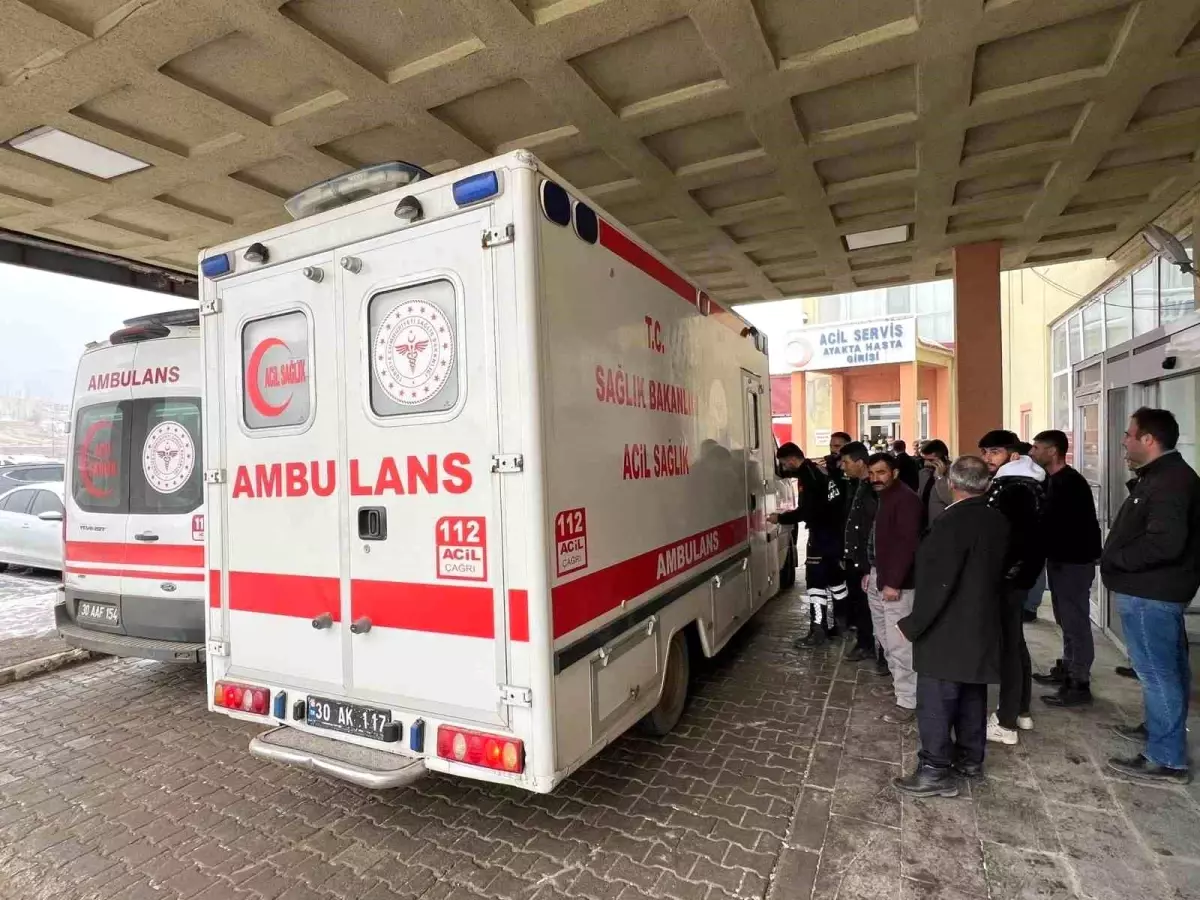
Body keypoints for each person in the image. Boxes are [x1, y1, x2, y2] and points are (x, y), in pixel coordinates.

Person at [893, 456, 1010, 797]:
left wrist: (913, 624)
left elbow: (939, 584)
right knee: (972, 694)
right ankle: (970, 760)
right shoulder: (997, 520)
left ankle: (934, 769)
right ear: (985, 484)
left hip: (947, 630)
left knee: (937, 701)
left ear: (951, 484)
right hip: (981, 624)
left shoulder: (950, 524)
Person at [1102, 408, 1200, 784]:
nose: (1124, 441)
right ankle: (1160, 730)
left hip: (1151, 592)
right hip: (1155, 591)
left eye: (1129, 435)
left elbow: (1165, 543)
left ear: (1148, 439)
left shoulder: (1170, 481)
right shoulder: (1161, 476)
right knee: (1167, 669)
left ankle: (1166, 757)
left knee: (1157, 672)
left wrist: (1117, 558)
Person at [978, 430, 1045, 746]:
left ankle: (1005, 721)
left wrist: (1002, 576)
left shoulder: (1016, 488)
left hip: (1010, 580)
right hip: (1014, 579)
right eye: (985, 452)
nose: (988, 458)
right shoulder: (1015, 483)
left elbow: (1017, 542)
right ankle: (1021, 710)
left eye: (994, 452)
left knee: (1008, 647)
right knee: (1015, 644)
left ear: (1014, 455)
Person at [1029, 429, 1102, 708]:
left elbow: (1060, 525)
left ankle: (1079, 683)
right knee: (1066, 620)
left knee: (1076, 622)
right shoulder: (1053, 480)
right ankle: (1068, 667)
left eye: (1037, 448)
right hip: (1062, 561)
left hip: (1074, 562)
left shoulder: (1069, 483)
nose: (1032, 453)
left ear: (1052, 451)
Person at [865, 452, 924, 722]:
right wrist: (872, 571)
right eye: (872, 473)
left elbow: (906, 545)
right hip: (881, 577)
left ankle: (908, 702)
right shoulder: (885, 497)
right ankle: (902, 692)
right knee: (886, 640)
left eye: (881, 472)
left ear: (895, 473)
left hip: (897, 585)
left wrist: (893, 582)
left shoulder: (906, 500)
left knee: (900, 644)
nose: (875, 478)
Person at [770, 443, 847, 648]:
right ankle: (843, 624)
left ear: (792, 459)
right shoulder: (820, 469)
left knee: (815, 585)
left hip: (820, 536)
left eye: (785, 463)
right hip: (834, 535)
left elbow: (807, 511)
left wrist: (780, 518)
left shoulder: (807, 474)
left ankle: (817, 630)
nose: (785, 468)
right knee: (836, 581)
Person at [839, 441, 882, 667]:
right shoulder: (856, 485)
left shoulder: (873, 489)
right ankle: (865, 643)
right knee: (859, 602)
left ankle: (876, 650)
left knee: (870, 605)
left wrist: (868, 560)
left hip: (868, 559)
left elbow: (873, 526)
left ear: (859, 462)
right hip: (856, 558)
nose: (842, 466)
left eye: (846, 461)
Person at [917, 439, 953, 531]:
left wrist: (940, 477)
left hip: (943, 527)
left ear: (944, 458)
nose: (926, 463)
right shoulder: (924, 473)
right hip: (923, 527)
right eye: (924, 460)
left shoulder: (954, 474)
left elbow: (951, 500)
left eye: (931, 460)